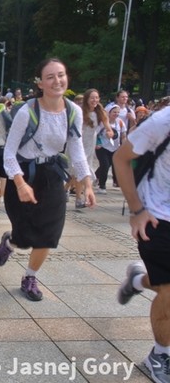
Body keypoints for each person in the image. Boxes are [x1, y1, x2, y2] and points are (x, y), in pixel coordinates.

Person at [0, 58, 95, 301]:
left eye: (61, 75)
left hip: (51, 175)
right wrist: (19, 184)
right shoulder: (27, 111)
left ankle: (30, 277)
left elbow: (76, 148)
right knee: (24, 235)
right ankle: (10, 243)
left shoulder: (74, 111)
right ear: (40, 83)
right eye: (50, 77)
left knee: (49, 232)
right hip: (24, 173)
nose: (57, 80)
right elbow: (9, 152)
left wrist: (87, 183)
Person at [113, 106, 170, 383]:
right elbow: (121, 158)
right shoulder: (164, 120)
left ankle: (137, 281)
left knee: (163, 283)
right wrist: (136, 210)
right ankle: (159, 355)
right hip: (157, 215)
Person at [75, 89, 113, 207]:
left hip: (90, 142)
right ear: (87, 99)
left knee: (83, 170)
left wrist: (109, 132)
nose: (95, 100)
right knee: (79, 170)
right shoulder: (80, 112)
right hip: (79, 142)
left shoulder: (100, 112)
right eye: (92, 98)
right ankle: (78, 197)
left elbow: (108, 127)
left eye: (97, 97)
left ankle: (71, 192)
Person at [95, 104, 127, 194]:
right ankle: (102, 186)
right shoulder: (102, 122)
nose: (116, 114)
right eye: (114, 112)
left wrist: (124, 146)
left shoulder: (120, 122)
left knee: (110, 165)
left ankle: (97, 176)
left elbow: (123, 136)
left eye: (118, 112)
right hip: (102, 147)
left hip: (115, 148)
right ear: (109, 112)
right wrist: (97, 143)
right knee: (105, 164)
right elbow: (95, 134)